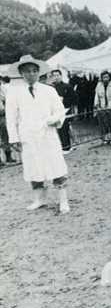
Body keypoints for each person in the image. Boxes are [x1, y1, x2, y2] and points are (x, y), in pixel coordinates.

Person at [5, 55, 70, 213]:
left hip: (47, 134)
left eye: (34, 71)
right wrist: (14, 138)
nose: (31, 74)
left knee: (55, 166)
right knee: (33, 168)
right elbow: (11, 117)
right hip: (28, 136)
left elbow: (60, 111)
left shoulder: (49, 90)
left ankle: (63, 200)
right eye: (27, 71)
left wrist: (55, 120)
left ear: (39, 72)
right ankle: (39, 199)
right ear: (21, 73)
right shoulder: (14, 93)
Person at [51, 69, 75, 154]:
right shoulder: (51, 88)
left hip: (65, 110)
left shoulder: (68, 86)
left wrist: (64, 100)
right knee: (58, 129)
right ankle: (63, 145)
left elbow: (74, 98)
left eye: (58, 75)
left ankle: (67, 147)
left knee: (65, 128)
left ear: (61, 76)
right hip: (55, 111)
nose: (56, 77)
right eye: (54, 75)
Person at [94, 71, 111, 144]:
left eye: (107, 77)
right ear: (102, 78)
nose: (105, 79)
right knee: (103, 123)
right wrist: (97, 106)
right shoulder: (99, 86)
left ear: (109, 77)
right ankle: (105, 139)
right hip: (102, 107)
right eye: (104, 77)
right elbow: (97, 96)